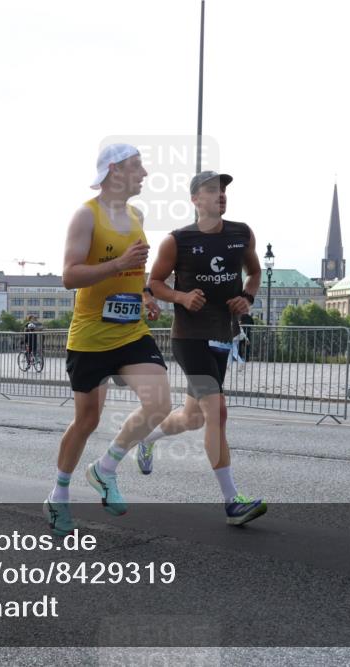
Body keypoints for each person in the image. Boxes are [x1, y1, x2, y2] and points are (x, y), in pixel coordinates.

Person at [45, 143, 171, 536]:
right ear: (115, 171)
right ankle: (58, 495)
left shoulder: (135, 215)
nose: (145, 173)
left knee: (160, 403)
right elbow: (69, 275)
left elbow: (134, 272)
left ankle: (105, 468)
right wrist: (117, 263)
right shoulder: (86, 216)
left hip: (131, 332)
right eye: (137, 166)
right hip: (91, 336)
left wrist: (147, 296)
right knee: (87, 420)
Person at [140, 171, 267, 526]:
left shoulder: (242, 233)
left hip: (223, 335)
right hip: (189, 337)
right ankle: (232, 502)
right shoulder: (177, 240)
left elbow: (254, 273)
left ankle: (147, 438)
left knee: (193, 417)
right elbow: (154, 282)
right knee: (218, 411)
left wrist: (247, 298)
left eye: (223, 190)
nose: (220, 195)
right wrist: (180, 296)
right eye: (212, 190)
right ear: (196, 199)